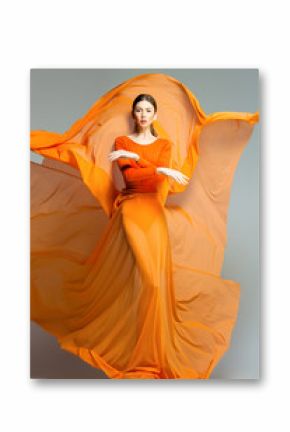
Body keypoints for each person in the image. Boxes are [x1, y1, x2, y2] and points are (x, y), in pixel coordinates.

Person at [30, 72, 259, 379]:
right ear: (134, 114)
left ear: (154, 115)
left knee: (153, 283)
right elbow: (134, 178)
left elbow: (152, 178)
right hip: (131, 211)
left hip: (154, 215)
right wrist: (153, 166)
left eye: (147, 111)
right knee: (143, 280)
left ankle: (152, 348)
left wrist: (146, 163)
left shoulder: (162, 145)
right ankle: (130, 347)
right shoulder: (121, 142)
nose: (141, 115)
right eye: (138, 111)